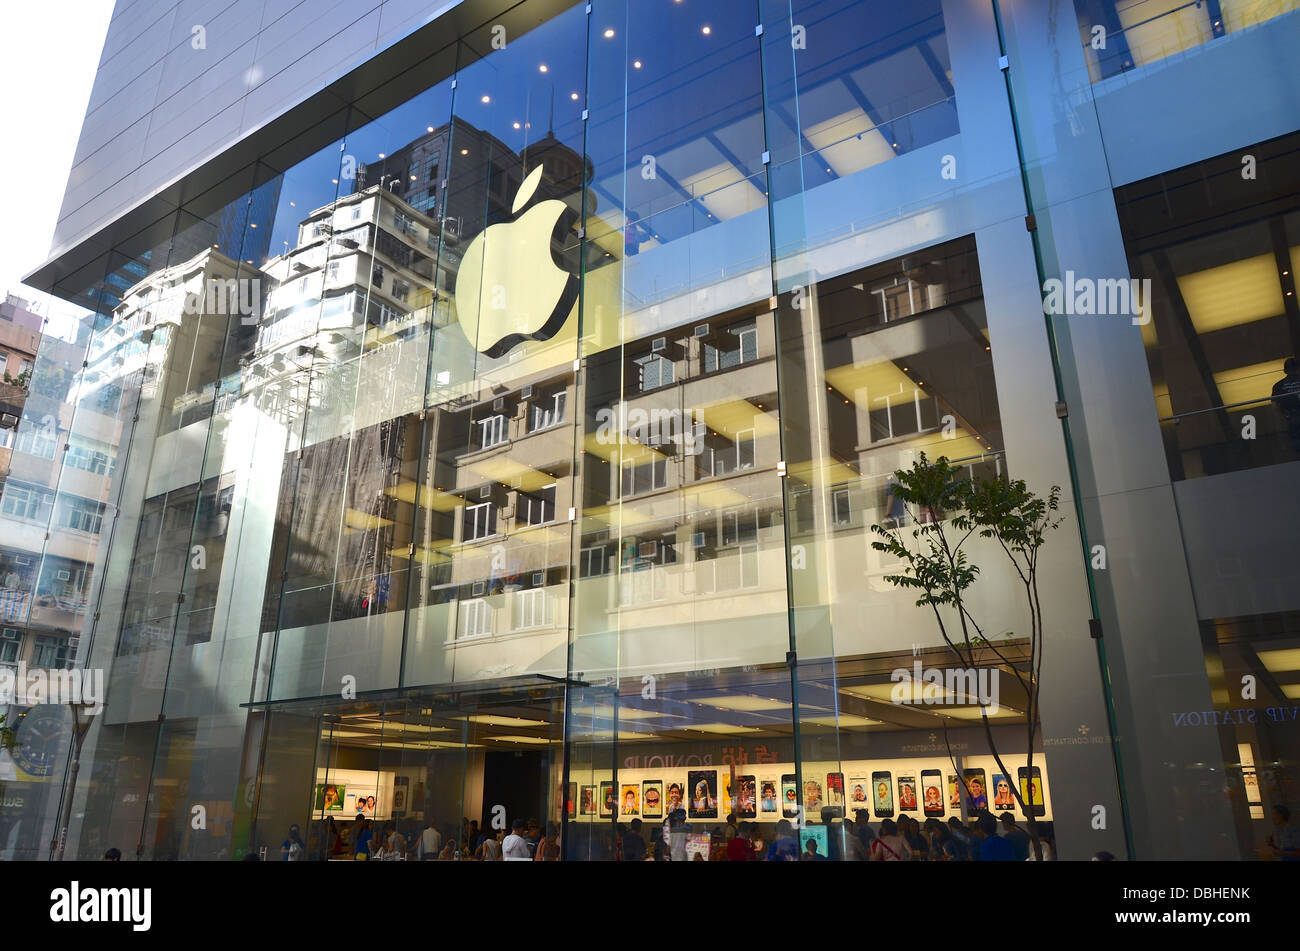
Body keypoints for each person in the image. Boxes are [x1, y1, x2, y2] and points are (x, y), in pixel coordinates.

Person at [1272, 357, 1300, 452]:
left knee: (1296, 443)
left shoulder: (1278, 386)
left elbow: (1275, 405)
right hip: (1292, 418)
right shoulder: (1278, 386)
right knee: (1296, 442)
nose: (1293, 371)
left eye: (1294, 369)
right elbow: (1275, 405)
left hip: (1291, 417)